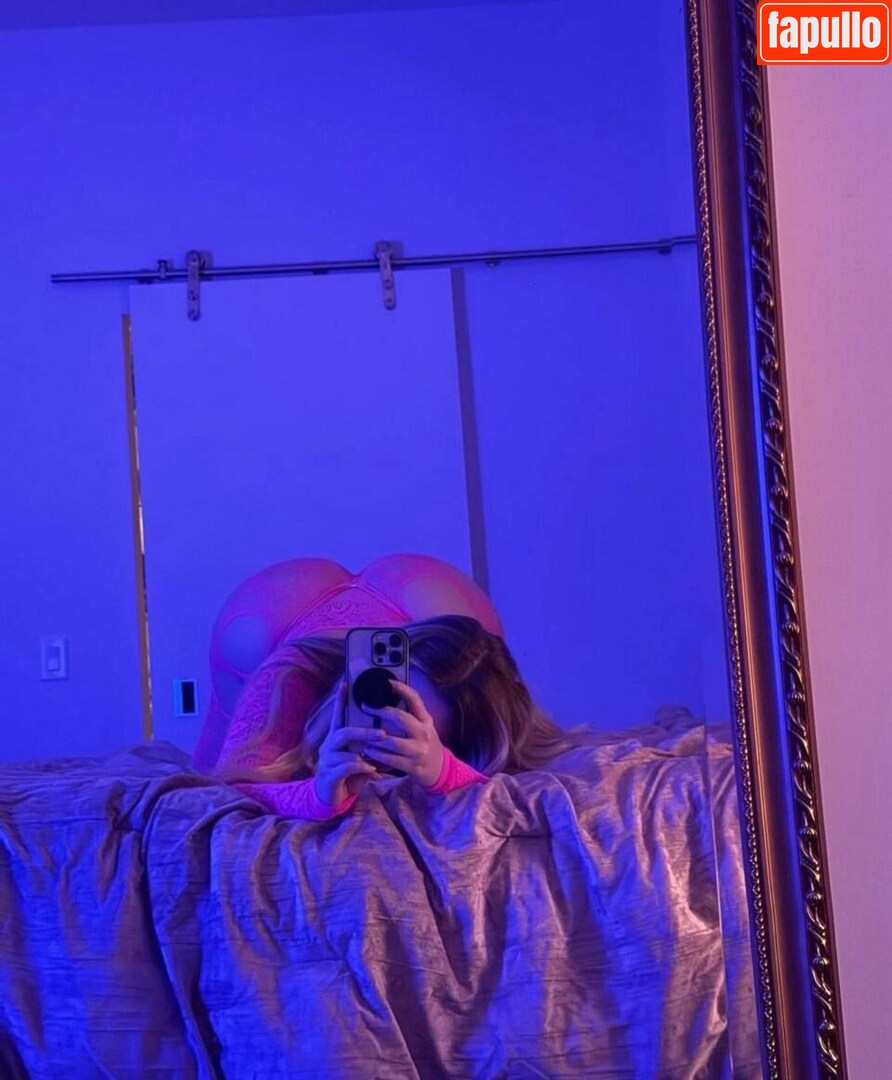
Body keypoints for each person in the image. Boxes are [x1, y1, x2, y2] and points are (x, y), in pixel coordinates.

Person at [215, 614, 576, 820]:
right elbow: (226, 795)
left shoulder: (486, 734)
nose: (381, 735)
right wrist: (316, 795)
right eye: (389, 704)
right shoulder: (291, 675)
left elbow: (511, 800)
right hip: (285, 613)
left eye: (405, 741)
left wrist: (444, 772)